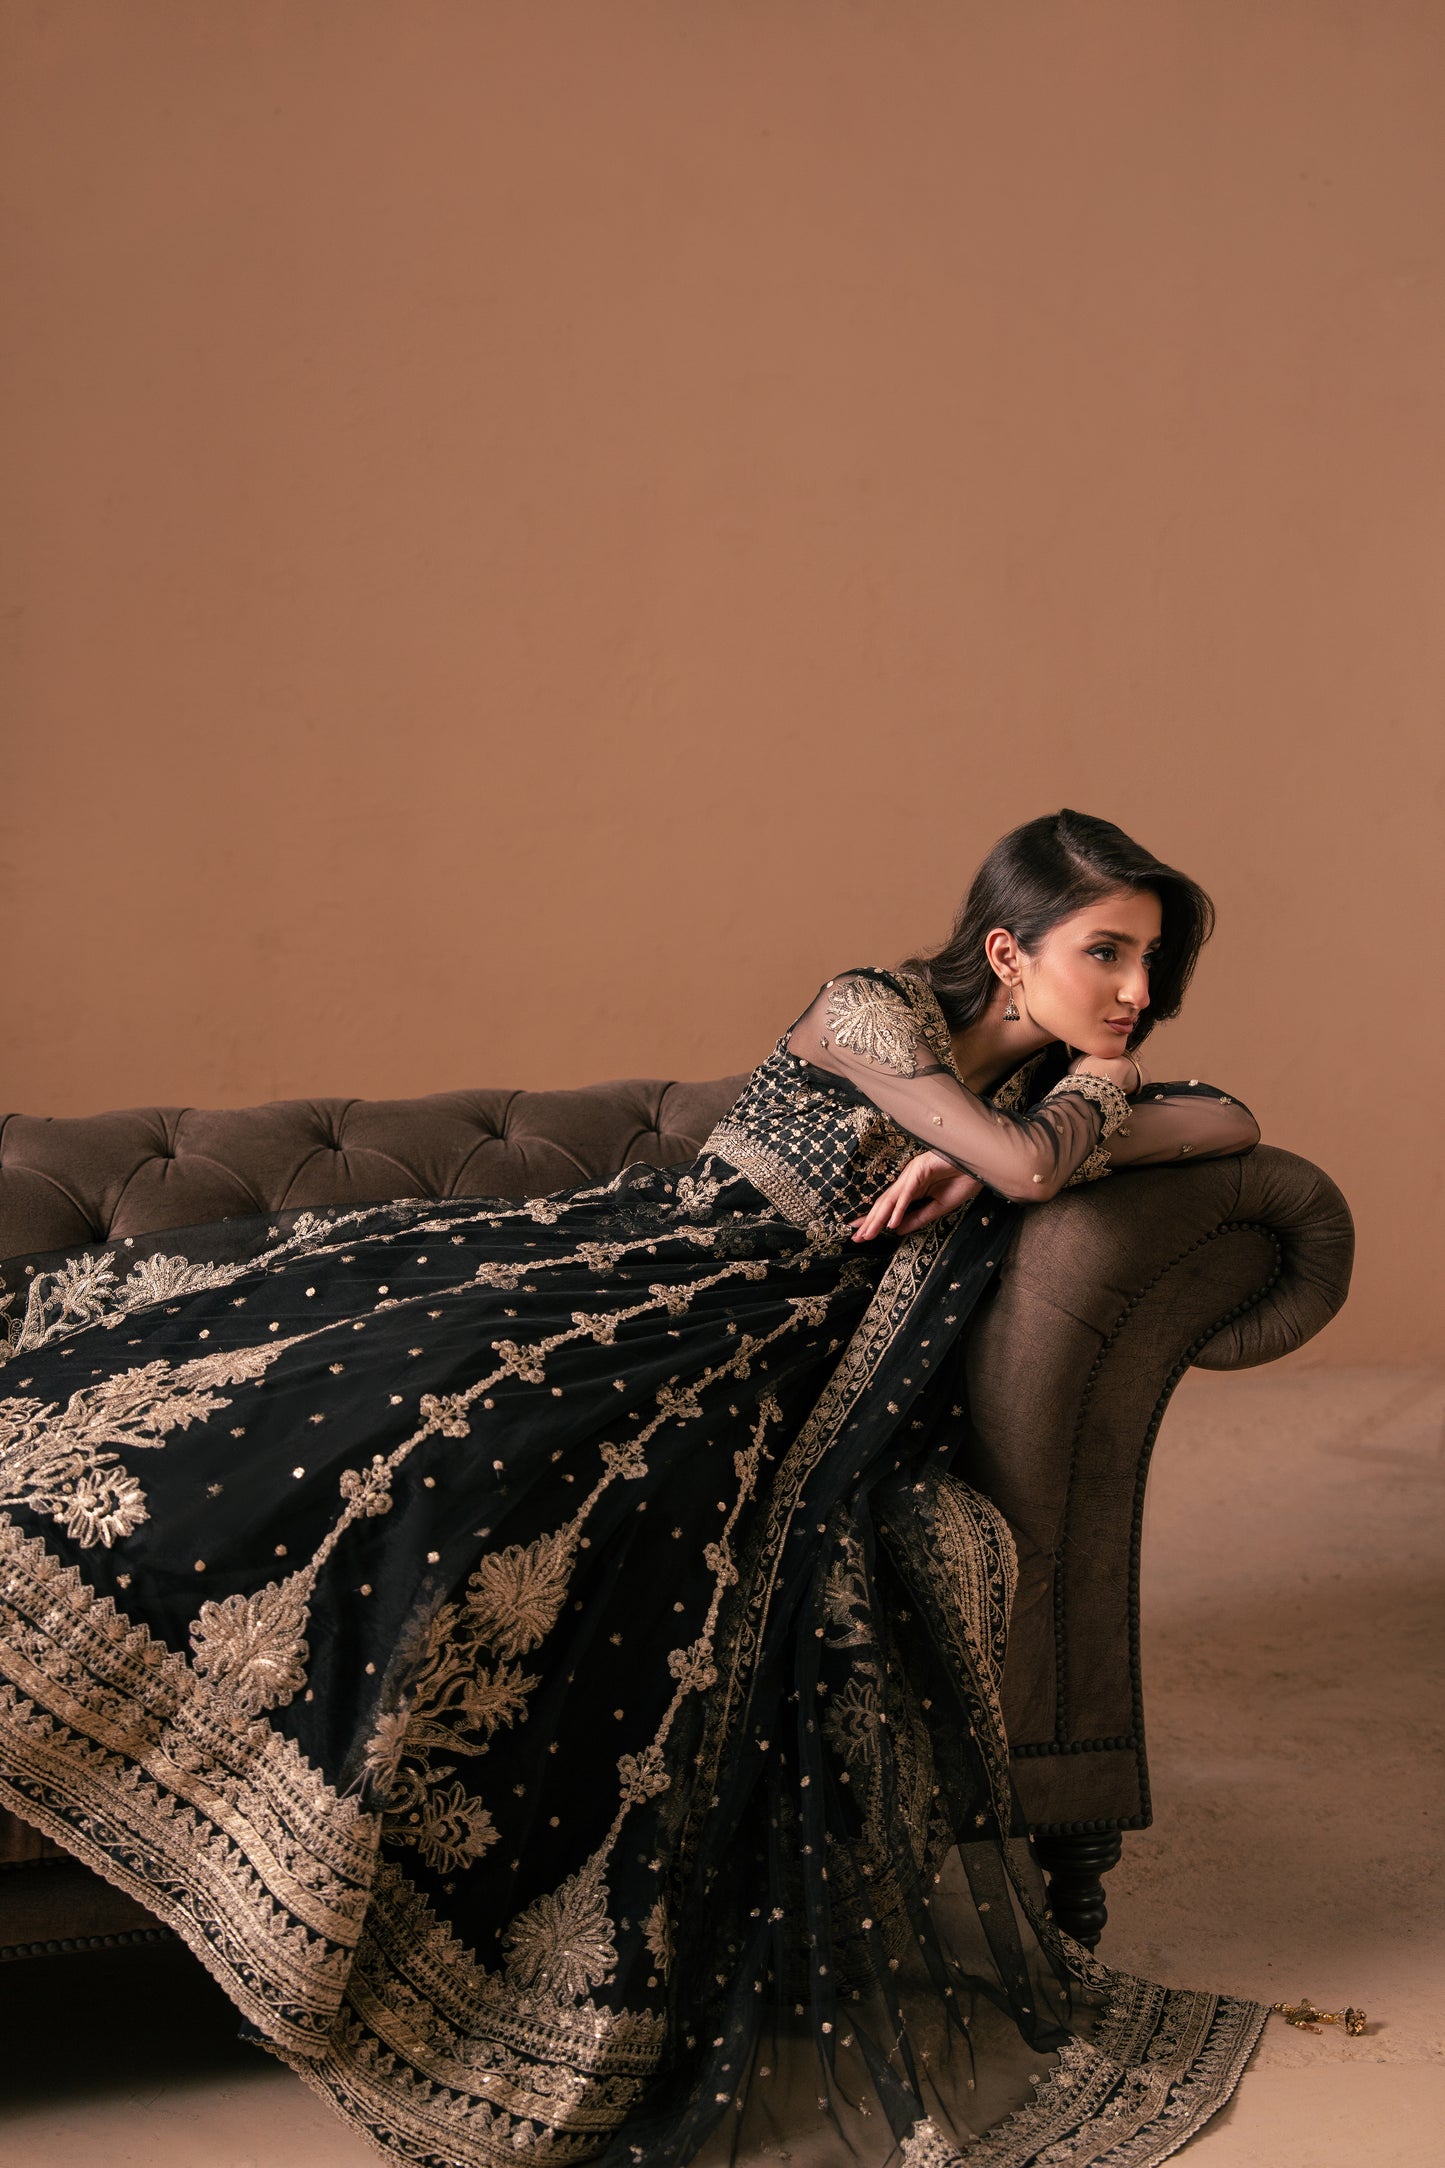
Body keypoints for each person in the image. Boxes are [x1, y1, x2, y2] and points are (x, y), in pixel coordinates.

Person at [0, 811, 1269, 2168]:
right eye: (1106, 953)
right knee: (412, 1427)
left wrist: (1049, 1123)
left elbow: (1228, 1120)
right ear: (1008, 952)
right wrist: (1042, 1129)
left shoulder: (1047, 1093)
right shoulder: (871, 1010)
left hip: (773, 1353)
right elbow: (1027, 1165)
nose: (1136, 992)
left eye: (1152, 962)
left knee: (563, 1513)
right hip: (654, 1280)